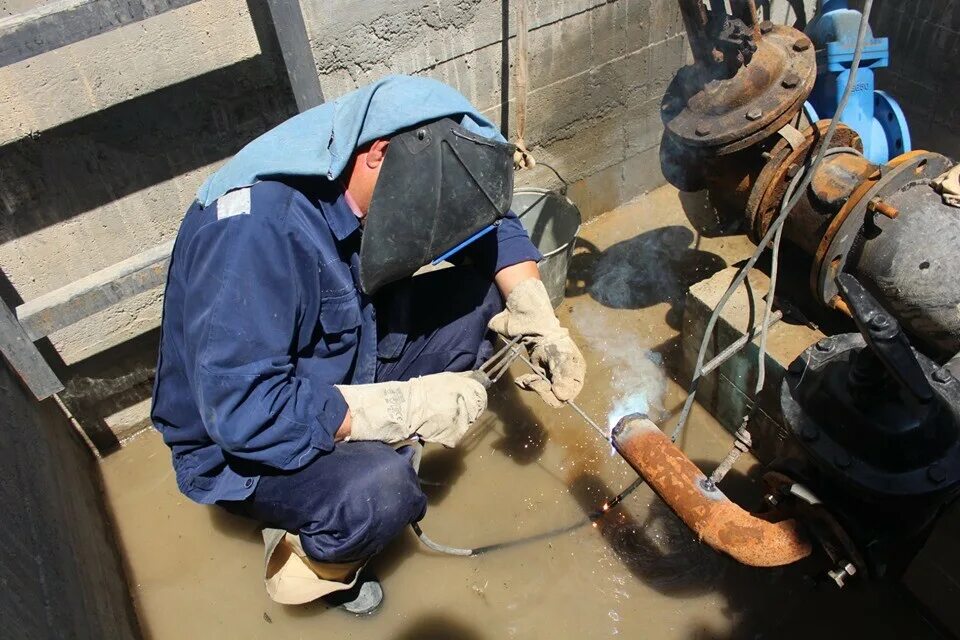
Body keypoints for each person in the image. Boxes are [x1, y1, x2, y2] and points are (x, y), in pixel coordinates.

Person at [151, 75, 585, 614]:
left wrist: (537, 317)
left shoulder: (371, 151)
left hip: (349, 350)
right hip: (244, 439)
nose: (429, 214)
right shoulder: (254, 232)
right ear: (377, 156)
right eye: (424, 202)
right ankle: (315, 559)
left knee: (489, 301)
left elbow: (491, 227)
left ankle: (370, 447)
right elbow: (243, 413)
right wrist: (407, 407)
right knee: (382, 490)